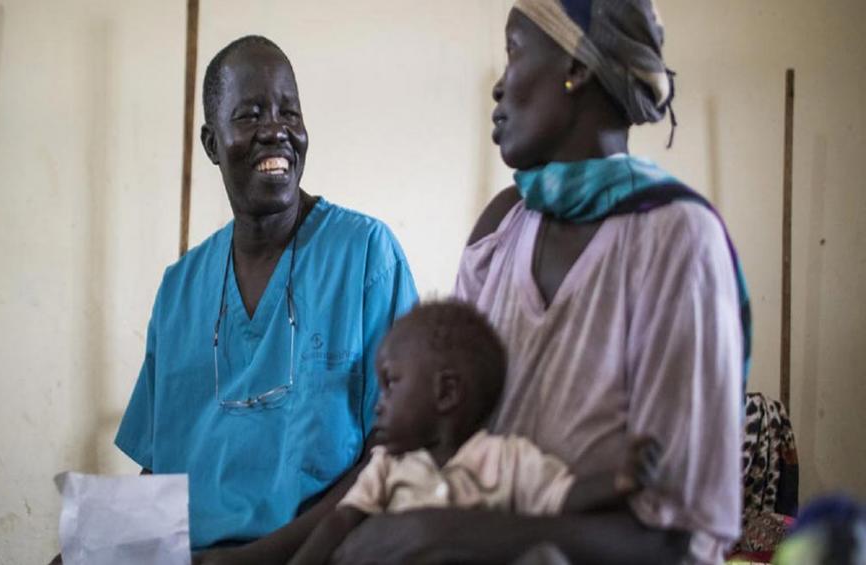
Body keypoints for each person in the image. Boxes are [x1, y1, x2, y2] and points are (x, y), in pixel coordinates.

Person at [330, 2, 747, 564]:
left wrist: (441, 532)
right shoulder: (501, 228)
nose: (499, 89)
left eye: (514, 51)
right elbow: (449, 442)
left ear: (575, 65)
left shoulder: (676, 240)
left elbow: (679, 541)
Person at [114, 35, 418, 564]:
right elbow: (160, 471)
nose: (275, 129)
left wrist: (254, 560)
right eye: (250, 114)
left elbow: (395, 455)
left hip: (322, 552)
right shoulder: (180, 289)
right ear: (212, 144)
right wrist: (96, 546)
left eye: (289, 112)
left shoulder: (367, 256)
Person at [289, 301, 662, 565]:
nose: (379, 404)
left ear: (446, 392)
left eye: (391, 383)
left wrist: (617, 479)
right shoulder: (386, 466)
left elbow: (563, 497)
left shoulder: (508, 459)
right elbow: (341, 521)